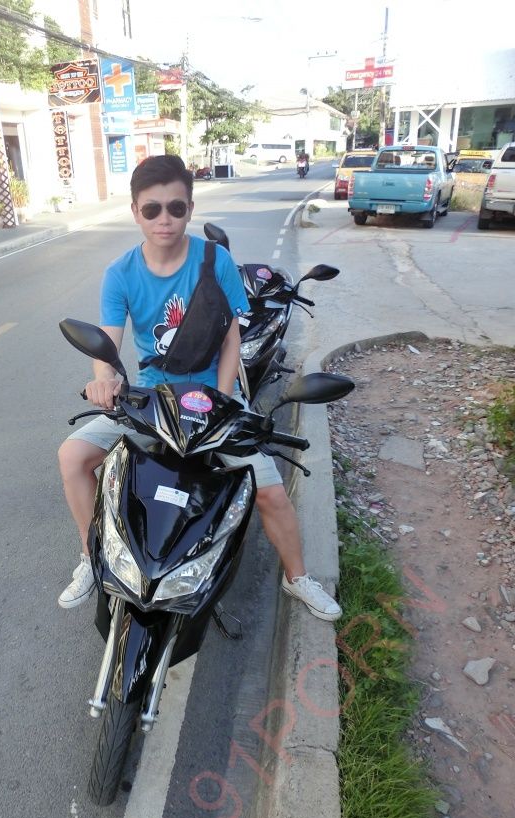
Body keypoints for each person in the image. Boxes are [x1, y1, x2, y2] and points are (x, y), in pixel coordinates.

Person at [56, 155, 341, 622]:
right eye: (152, 209)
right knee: (72, 456)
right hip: (151, 398)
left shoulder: (214, 260)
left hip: (215, 396)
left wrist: (225, 398)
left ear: (189, 208)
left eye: (176, 208)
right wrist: (104, 379)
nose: (164, 219)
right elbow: (107, 343)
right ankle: (91, 556)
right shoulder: (121, 273)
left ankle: (298, 577)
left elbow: (231, 338)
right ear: (136, 212)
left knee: (269, 491)